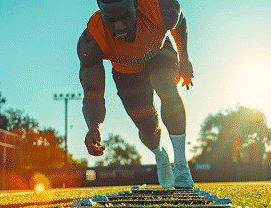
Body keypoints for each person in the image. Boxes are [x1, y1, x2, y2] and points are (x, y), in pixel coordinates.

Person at [77, 0, 194, 188]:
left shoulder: (161, 8)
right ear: (100, 10)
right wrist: (94, 126)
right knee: (148, 129)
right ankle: (160, 155)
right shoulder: (92, 40)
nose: (119, 27)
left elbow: (180, 22)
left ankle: (181, 165)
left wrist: (184, 59)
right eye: (110, 19)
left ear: (136, 4)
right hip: (127, 73)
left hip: (159, 53)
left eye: (125, 17)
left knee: (165, 86)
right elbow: (92, 92)